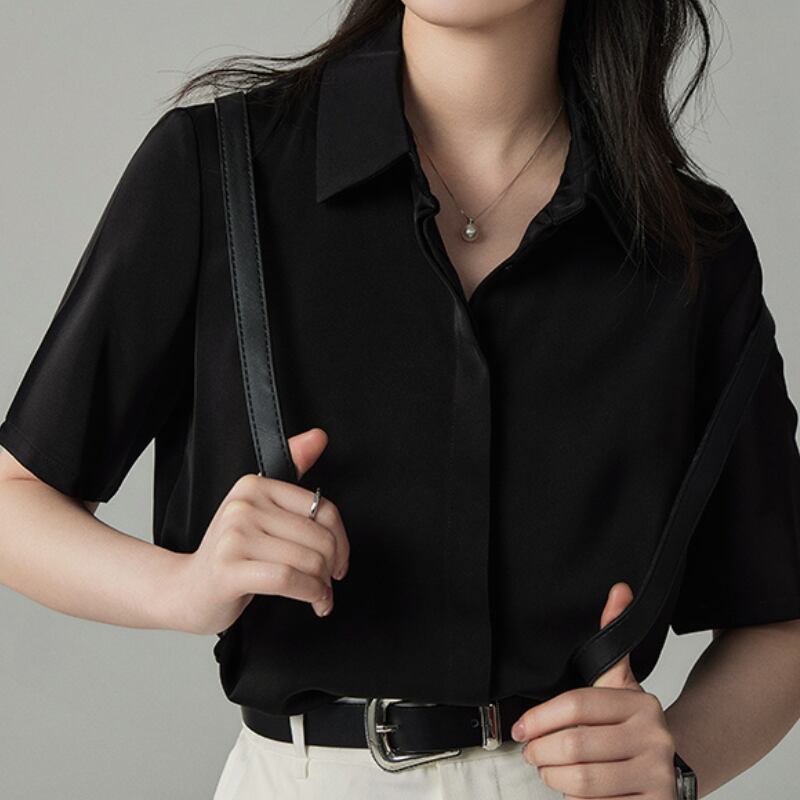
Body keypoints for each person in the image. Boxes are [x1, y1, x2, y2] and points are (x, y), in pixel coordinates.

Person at [1, 1, 799, 798]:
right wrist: (183, 588)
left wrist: (676, 764)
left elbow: (780, 617)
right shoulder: (218, 167)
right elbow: (15, 496)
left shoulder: (688, 249)